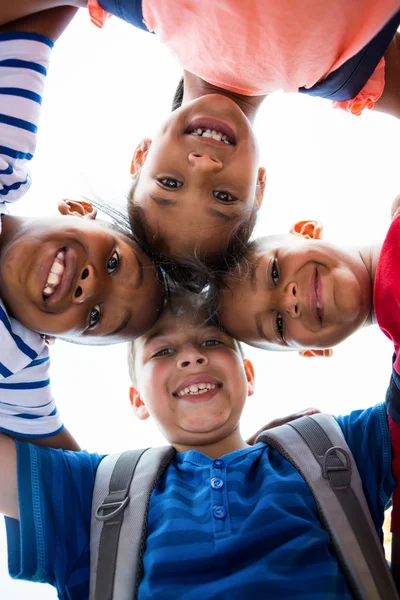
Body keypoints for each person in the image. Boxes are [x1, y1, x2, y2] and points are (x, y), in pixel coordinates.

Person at [0, 291, 395, 598]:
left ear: (249, 374)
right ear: (138, 400)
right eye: (163, 350)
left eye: (211, 341)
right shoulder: (96, 490)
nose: (191, 358)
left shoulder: (330, 448)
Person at [5, 0, 400, 273]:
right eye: (225, 197)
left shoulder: (139, 4)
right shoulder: (347, 74)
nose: (205, 165)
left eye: (170, 183)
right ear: (258, 187)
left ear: (141, 157)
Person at [0, 11, 164, 444]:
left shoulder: (14, 361)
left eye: (93, 316)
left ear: (48, 339)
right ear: (77, 209)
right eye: (113, 261)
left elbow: (71, 482)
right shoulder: (5, 145)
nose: (90, 285)